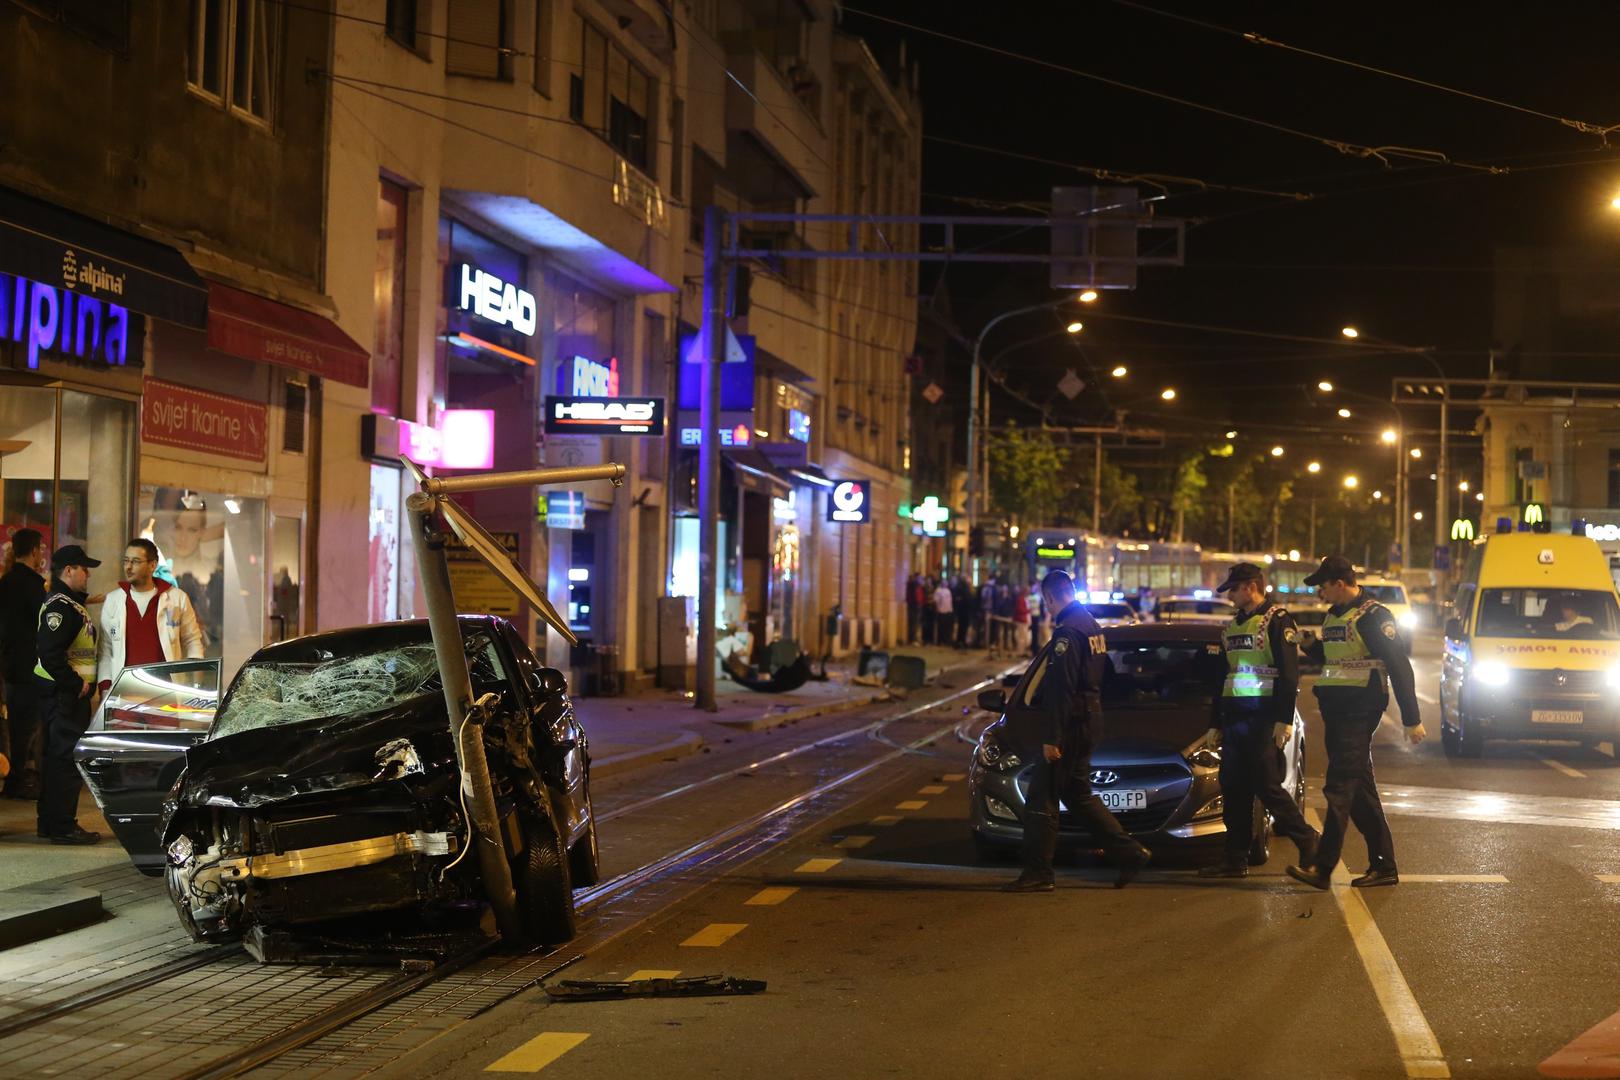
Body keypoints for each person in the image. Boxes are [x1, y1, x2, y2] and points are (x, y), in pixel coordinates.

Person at [1002, 569, 1152, 892]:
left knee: (1042, 795)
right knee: (1079, 795)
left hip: (1070, 725)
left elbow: (1061, 689)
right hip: (1088, 720)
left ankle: (1038, 871)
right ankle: (1129, 853)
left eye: (1047, 602)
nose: (1048, 608)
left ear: (1051, 597)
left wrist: (1052, 738)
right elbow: (1103, 675)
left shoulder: (1067, 634)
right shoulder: (1091, 626)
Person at [1286, 555, 1424, 890]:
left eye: (1323, 585)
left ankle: (1322, 866)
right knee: (1360, 789)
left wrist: (1412, 719)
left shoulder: (1374, 616)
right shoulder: (1335, 615)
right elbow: (1334, 658)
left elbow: (1398, 664)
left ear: (1340, 583)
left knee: (1339, 787)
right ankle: (1384, 865)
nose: (1320, 592)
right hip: (1337, 707)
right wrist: (1309, 646)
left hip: (1360, 708)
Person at [1198, 562, 1320, 878]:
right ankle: (1235, 857)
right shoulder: (1234, 627)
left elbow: (1289, 673)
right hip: (1235, 720)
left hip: (1263, 719)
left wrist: (1284, 721)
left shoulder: (1277, 621)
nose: (1231, 597)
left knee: (1267, 787)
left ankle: (1310, 843)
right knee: (1233, 788)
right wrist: (1216, 722)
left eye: (1234, 590)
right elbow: (1223, 678)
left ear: (1251, 587)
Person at [35, 544, 104, 844]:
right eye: (84, 569)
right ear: (68, 571)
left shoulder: (69, 603)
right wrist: (77, 685)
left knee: (55, 759)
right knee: (64, 761)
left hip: (61, 695)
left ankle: (51, 823)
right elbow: (50, 653)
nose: (88, 575)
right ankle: (63, 826)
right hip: (65, 696)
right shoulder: (61, 606)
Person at [96, 538, 207, 692]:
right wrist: (105, 688)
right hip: (123, 694)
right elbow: (105, 650)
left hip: (166, 693)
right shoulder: (114, 600)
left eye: (135, 561)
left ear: (153, 565)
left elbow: (193, 641)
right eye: (126, 561)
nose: (128, 567)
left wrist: (196, 686)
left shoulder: (176, 598)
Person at [0, 528, 47, 799]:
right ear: (34, 552)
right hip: (30, 665)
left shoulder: (5, 582)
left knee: (14, 725)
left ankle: (15, 776)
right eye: (40, 549)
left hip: (9, 665)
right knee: (26, 726)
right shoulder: (33, 586)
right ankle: (19, 778)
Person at [931, 577, 953, 646]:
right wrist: (937, 609)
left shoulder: (948, 591)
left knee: (946, 627)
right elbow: (935, 601)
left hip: (948, 611)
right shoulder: (938, 591)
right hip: (941, 611)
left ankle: (946, 640)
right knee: (941, 627)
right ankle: (939, 641)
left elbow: (950, 602)